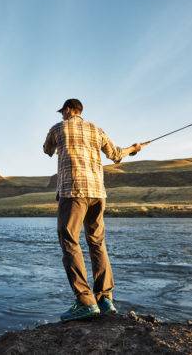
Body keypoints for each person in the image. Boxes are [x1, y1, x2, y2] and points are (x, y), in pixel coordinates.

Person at [43, 98, 143, 321]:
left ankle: (85, 302)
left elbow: (47, 150)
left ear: (69, 110)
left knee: (70, 242)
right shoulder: (97, 129)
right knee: (97, 242)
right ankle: (105, 299)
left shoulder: (58, 128)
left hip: (73, 193)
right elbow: (116, 154)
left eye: (62, 112)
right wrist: (134, 149)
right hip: (98, 194)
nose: (61, 115)